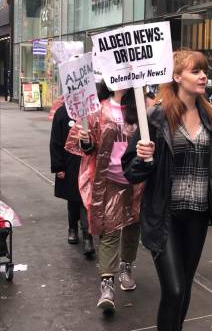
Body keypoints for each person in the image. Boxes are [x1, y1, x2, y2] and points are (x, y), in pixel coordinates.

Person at [122, 49, 212, 331]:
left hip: (197, 215)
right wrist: (142, 156)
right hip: (165, 216)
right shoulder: (156, 118)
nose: (203, 76)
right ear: (176, 76)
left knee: (184, 290)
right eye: (196, 71)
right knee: (173, 289)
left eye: (203, 71)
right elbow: (131, 171)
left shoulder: (209, 116)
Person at [66, 81, 142, 313]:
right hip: (108, 180)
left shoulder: (143, 108)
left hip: (136, 181)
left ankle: (126, 266)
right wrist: (86, 141)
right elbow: (86, 147)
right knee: (109, 230)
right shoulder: (97, 110)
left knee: (132, 228)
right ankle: (107, 284)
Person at [49, 103, 95, 257]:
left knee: (85, 200)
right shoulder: (62, 112)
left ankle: (88, 236)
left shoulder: (92, 111)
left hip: (88, 163)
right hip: (69, 164)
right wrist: (58, 166)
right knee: (73, 199)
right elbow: (55, 141)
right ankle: (72, 228)